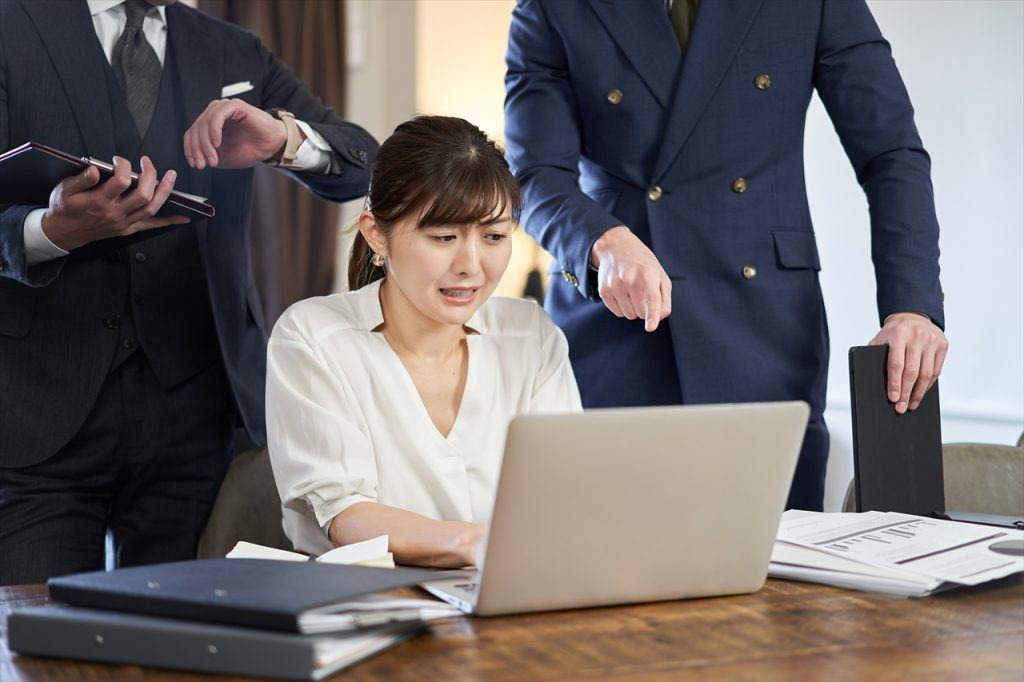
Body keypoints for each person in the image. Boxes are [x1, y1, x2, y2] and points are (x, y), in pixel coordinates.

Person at [504, 0, 949, 511]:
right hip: (621, 320)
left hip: (762, 329)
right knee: (612, 545)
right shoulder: (551, 6)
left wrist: (911, 308)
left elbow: (890, 153)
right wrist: (600, 239)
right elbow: (533, 174)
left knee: (773, 549)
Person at [0, 0, 377, 584]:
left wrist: (284, 138)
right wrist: (48, 232)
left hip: (196, 417)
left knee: (182, 630)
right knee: (34, 635)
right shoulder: (11, 25)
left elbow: (366, 161)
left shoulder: (234, 50)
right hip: (37, 413)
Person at [266, 116, 582, 567]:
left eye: (494, 236)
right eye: (444, 237)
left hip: (509, 590)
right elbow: (342, 513)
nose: (471, 265)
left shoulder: (530, 335)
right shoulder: (313, 337)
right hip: (364, 597)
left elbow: (563, 493)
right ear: (377, 234)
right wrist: (474, 543)